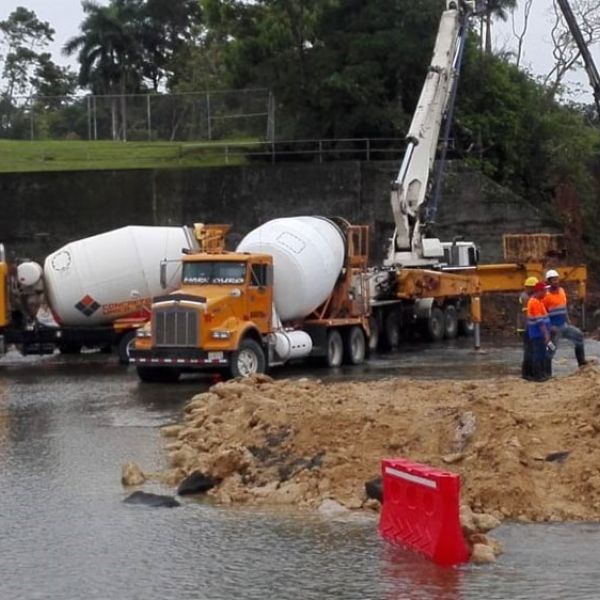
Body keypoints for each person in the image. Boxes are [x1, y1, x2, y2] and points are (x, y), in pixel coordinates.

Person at [542, 269, 587, 367]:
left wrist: (568, 320)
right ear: (548, 281)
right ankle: (545, 372)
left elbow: (564, 307)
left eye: (557, 279)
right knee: (551, 349)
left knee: (579, 336)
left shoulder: (562, 291)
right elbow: (543, 314)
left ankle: (581, 362)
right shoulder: (545, 295)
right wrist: (549, 327)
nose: (556, 282)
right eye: (554, 280)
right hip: (553, 327)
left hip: (563, 325)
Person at [526, 281, 554, 382]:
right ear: (539, 291)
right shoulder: (535, 302)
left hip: (540, 333)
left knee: (545, 352)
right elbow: (540, 321)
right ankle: (538, 375)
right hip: (538, 334)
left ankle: (542, 374)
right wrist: (546, 334)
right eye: (545, 290)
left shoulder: (539, 301)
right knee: (539, 354)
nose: (546, 292)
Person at [519, 276, 538, 380]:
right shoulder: (526, 298)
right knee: (529, 351)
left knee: (530, 350)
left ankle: (528, 373)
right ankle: (527, 374)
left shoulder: (526, 296)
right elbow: (527, 315)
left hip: (527, 327)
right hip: (527, 327)